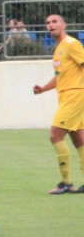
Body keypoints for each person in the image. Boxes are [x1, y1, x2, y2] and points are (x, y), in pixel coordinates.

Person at [32, 13, 84, 194]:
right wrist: (43, 89)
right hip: (67, 96)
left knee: (55, 135)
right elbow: (60, 77)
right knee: (79, 139)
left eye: (54, 22)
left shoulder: (71, 44)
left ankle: (66, 183)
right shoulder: (58, 49)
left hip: (74, 96)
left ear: (64, 25)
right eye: (48, 23)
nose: (50, 25)